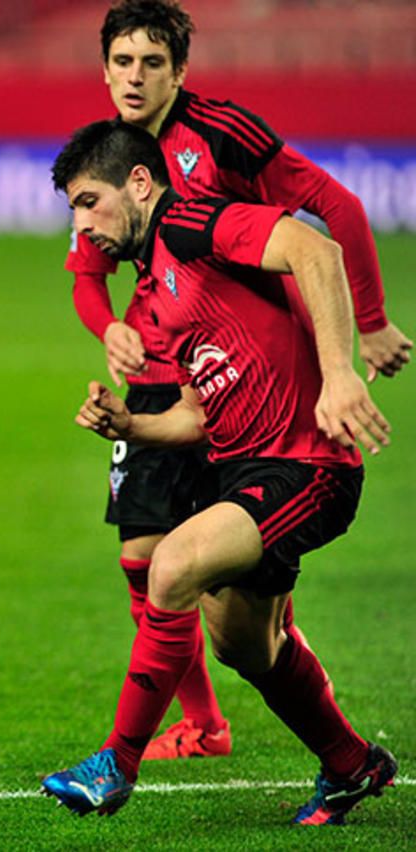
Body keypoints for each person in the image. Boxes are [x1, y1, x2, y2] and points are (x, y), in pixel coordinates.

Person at [65, 0, 412, 761]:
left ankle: (142, 749)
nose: (134, 76)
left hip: (255, 374)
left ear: (180, 70)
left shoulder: (221, 135)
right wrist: (112, 329)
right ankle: (209, 722)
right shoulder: (106, 165)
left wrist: (368, 325)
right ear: (104, 69)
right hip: (179, 373)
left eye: (152, 62)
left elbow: (331, 210)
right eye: (122, 61)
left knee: (192, 572)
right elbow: (88, 277)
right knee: (158, 570)